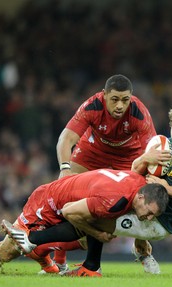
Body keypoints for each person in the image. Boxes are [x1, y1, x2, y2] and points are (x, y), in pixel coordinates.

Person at [0, 169, 169, 277]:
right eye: (148, 213)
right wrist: (96, 234)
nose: (147, 219)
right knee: (3, 253)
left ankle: (44, 255)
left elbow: (139, 163)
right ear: (140, 197)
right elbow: (69, 212)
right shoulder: (114, 201)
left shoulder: (139, 182)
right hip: (49, 202)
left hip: (67, 198)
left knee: (92, 234)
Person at [63, 102, 172, 276]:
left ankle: (90, 267)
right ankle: (141, 250)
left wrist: (166, 187)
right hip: (150, 210)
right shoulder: (170, 144)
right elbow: (135, 172)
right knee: (99, 204)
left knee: (94, 215)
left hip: (160, 222)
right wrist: (145, 158)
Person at [48, 74, 156, 273]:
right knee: (63, 194)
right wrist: (64, 169)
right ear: (104, 96)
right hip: (92, 152)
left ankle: (142, 248)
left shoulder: (139, 112)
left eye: (125, 100)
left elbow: (152, 149)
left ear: (131, 98)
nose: (120, 106)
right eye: (114, 99)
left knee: (143, 195)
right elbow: (65, 139)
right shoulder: (92, 106)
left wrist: (150, 173)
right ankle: (59, 261)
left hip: (128, 157)